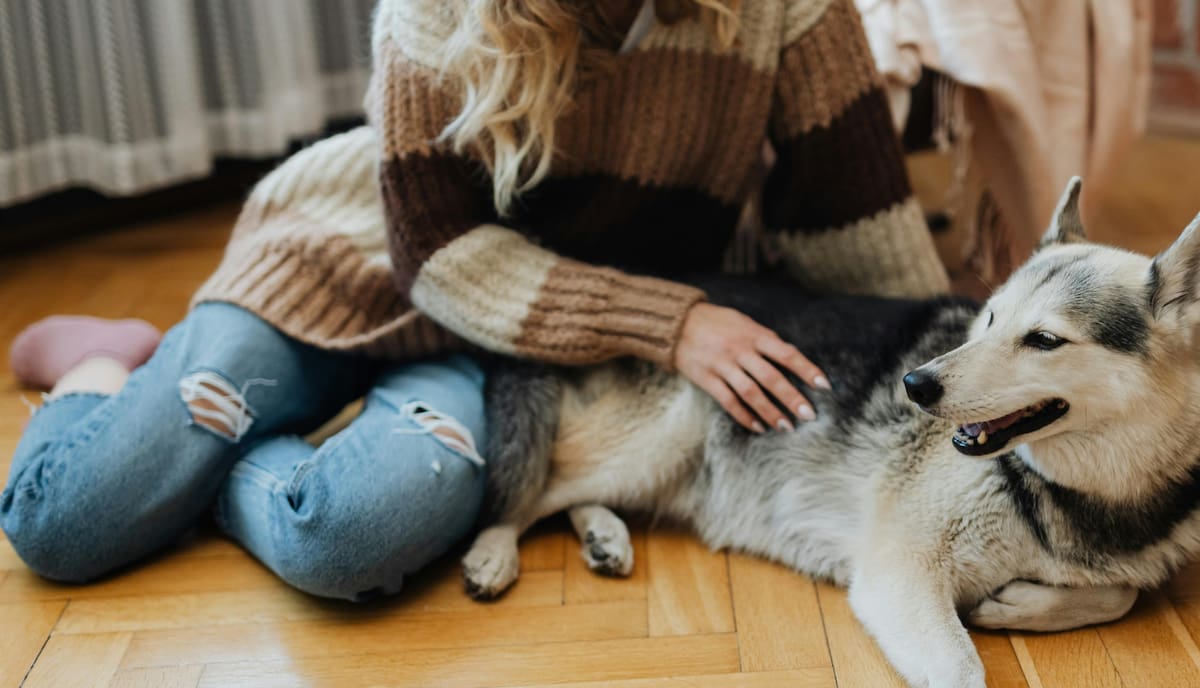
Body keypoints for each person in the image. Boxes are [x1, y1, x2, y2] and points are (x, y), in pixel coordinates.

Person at [1, 0, 949, 600]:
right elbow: (438, 256)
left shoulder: (788, 11)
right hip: (345, 269)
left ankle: (203, 454)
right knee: (67, 523)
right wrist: (673, 322)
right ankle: (106, 360)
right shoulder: (434, 14)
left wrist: (949, 385)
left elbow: (859, 230)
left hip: (519, 340)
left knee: (347, 539)